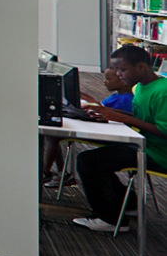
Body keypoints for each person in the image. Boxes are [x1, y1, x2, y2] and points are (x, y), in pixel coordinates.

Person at [72, 45, 167, 232]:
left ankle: (111, 219)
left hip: (158, 153)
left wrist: (123, 118)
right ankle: (128, 204)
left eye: (122, 70)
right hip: (141, 143)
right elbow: (141, 118)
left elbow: (164, 131)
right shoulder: (140, 86)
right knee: (97, 157)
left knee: (88, 161)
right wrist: (108, 112)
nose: (118, 74)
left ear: (141, 67)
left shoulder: (162, 92)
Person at [42, 65, 136, 187]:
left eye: (108, 79)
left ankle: (47, 173)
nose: (104, 82)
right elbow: (102, 108)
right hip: (105, 128)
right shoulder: (117, 96)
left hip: (112, 135)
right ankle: (61, 173)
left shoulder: (126, 100)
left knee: (55, 135)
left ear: (122, 81)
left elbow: (113, 116)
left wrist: (94, 104)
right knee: (54, 132)